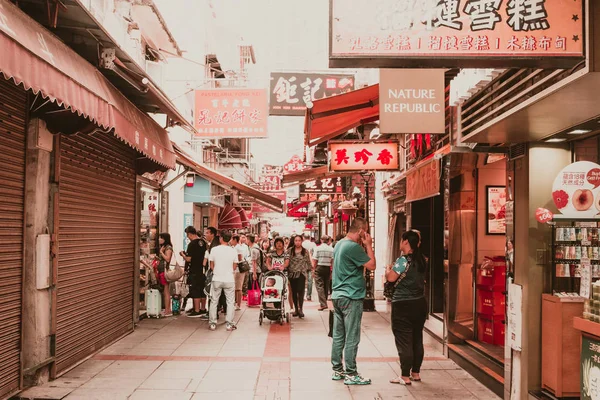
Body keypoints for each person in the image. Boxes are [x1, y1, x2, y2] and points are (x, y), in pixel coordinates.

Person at [331, 217, 376, 385]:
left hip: (338, 295)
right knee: (352, 336)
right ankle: (351, 373)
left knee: (338, 336)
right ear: (361, 231)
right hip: (351, 296)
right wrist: (369, 245)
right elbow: (372, 265)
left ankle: (337, 370)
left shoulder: (339, 244)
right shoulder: (353, 247)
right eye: (366, 232)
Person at [385, 230, 428, 386]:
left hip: (403, 304)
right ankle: (415, 373)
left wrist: (388, 270)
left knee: (404, 340)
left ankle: (404, 376)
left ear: (405, 242)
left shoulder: (403, 260)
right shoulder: (423, 259)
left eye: (402, 240)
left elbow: (391, 278)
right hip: (420, 303)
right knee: (417, 338)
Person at [208, 230, 239, 331]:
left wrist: (217, 270)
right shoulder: (233, 251)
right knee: (230, 302)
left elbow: (211, 266)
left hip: (217, 278)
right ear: (230, 239)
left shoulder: (214, 250)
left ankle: (213, 323)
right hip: (229, 279)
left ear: (221, 238)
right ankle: (229, 323)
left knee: (214, 301)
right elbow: (234, 267)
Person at [180, 226, 208, 318]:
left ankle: (196, 310)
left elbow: (188, 259)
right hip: (203, 270)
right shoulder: (203, 242)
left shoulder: (192, 244)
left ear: (190, 234)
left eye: (187, 235)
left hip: (194, 270)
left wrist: (183, 255)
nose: (187, 237)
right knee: (202, 290)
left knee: (195, 289)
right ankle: (203, 309)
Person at [287, 235, 312, 318]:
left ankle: (300, 308)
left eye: (299, 240)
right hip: (292, 274)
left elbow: (308, 262)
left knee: (300, 292)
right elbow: (287, 261)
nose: (297, 242)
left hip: (301, 274)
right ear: (294, 242)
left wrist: (311, 271)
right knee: (294, 292)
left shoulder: (305, 251)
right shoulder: (290, 251)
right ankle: (296, 309)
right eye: (296, 240)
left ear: (301, 241)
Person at [267, 237, 292, 310]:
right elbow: (268, 261)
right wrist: (269, 267)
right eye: (277, 243)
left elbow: (287, 262)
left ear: (283, 244)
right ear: (275, 245)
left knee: (281, 290)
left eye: (280, 243)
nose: (279, 245)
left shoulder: (286, 253)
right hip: (273, 274)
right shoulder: (271, 253)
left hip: (283, 274)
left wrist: (283, 266)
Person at [313, 235, 334, 311]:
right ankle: (324, 302)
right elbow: (332, 261)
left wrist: (313, 269)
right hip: (327, 268)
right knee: (326, 285)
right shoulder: (331, 249)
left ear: (321, 240)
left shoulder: (317, 248)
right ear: (328, 240)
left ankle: (323, 304)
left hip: (319, 267)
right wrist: (332, 271)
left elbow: (315, 260)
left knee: (319, 286)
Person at [157, 233, 174, 317]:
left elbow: (167, 259)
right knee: (165, 290)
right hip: (161, 270)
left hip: (165, 271)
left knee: (166, 290)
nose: (159, 239)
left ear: (165, 239)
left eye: (161, 238)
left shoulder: (168, 248)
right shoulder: (164, 247)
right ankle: (167, 309)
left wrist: (161, 252)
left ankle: (168, 310)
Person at [230, 235, 246, 311]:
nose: (230, 241)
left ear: (235, 240)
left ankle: (238, 305)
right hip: (237, 270)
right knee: (236, 288)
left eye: (231, 239)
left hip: (239, 270)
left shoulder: (238, 248)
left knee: (238, 288)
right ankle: (236, 303)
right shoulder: (235, 247)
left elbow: (239, 258)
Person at [302, 233, 317, 301]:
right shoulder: (313, 244)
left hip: (303, 264)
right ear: (309, 237)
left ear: (304, 238)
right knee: (310, 280)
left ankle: (302, 295)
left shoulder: (302, 244)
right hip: (311, 263)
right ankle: (309, 295)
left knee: (302, 279)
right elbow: (315, 254)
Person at [239, 234, 251, 300]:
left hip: (244, 264)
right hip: (237, 265)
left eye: (244, 238)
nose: (244, 239)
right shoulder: (236, 246)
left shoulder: (246, 247)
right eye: (242, 237)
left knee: (245, 280)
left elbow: (248, 255)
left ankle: (244, 294)